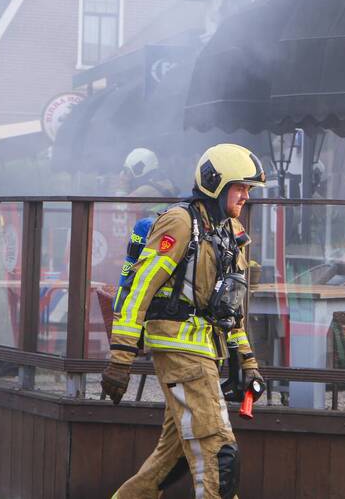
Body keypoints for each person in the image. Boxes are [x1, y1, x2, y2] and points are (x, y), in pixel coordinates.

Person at [102, 143, 267, 499]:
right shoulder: (180, 222)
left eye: (248, 189)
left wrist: (249, 362)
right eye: (240, 187)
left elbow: (230, 306)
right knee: (219, 450)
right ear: (215, 184)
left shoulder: (231, 232)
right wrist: (121, 354)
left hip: (206, 349)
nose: (245, 196)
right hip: (179, 348)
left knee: (171, 459)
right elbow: (141, 289)